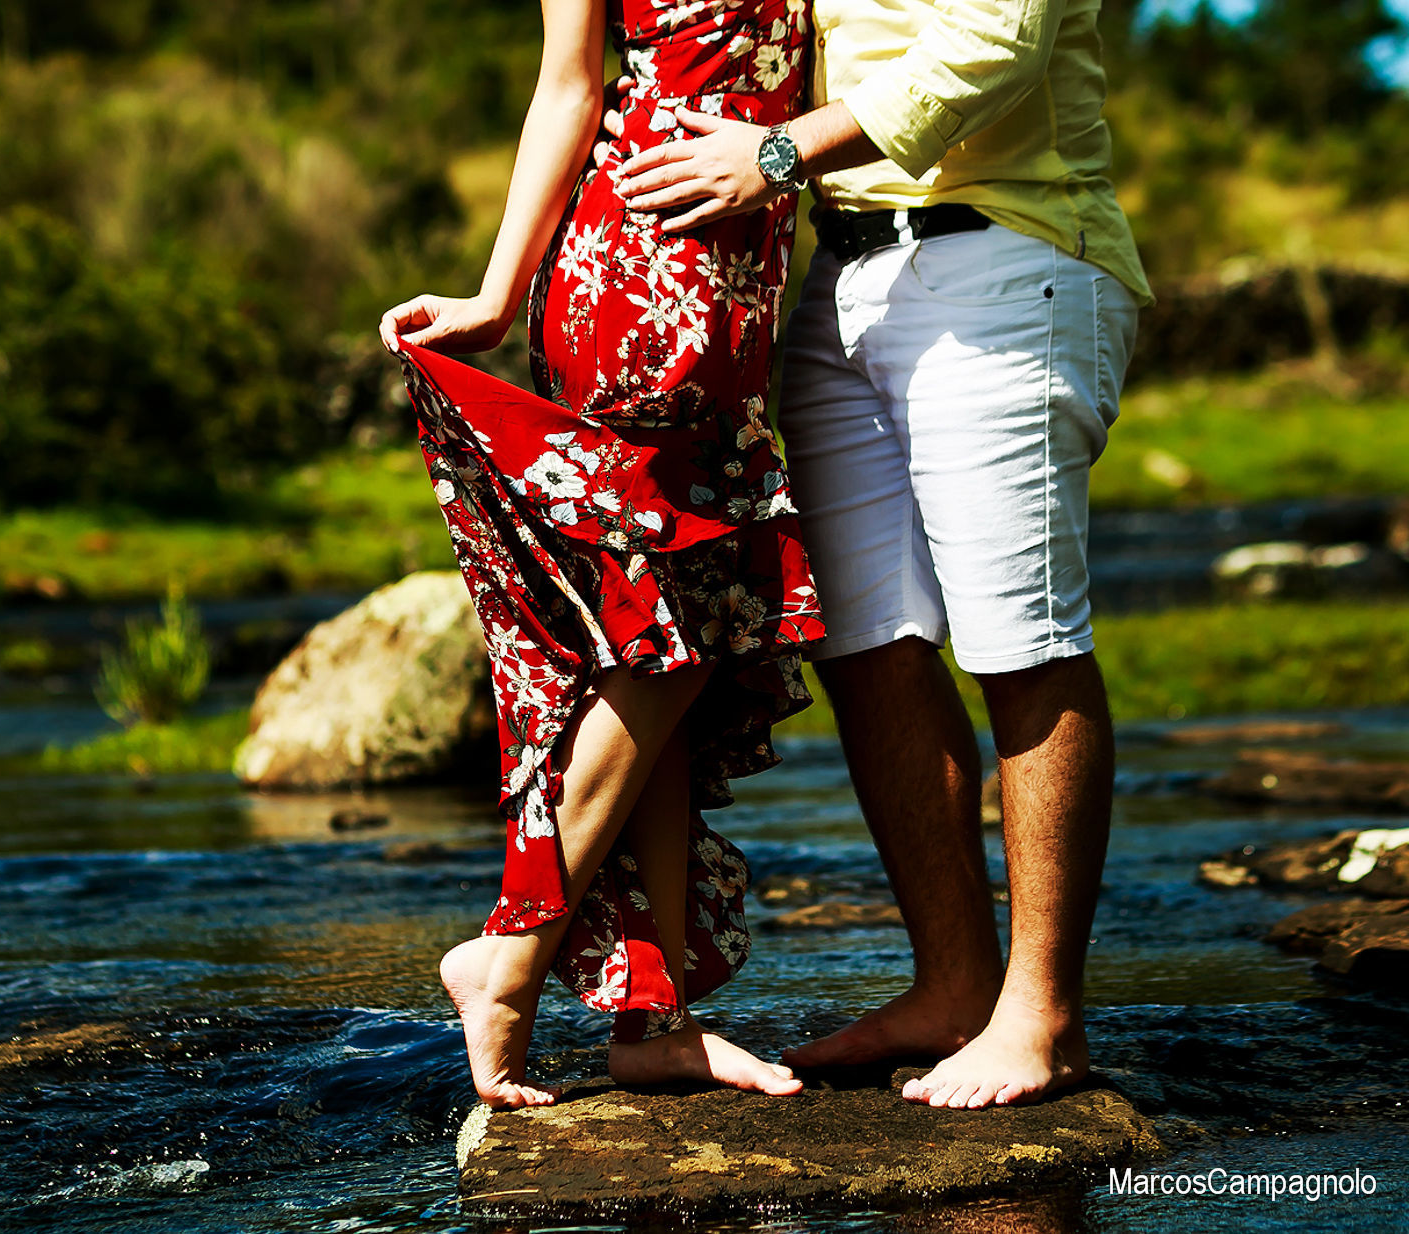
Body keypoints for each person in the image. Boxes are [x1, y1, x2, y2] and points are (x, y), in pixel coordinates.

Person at [596, 0, 1151, 1106]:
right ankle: (953, 988)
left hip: (1008, 258)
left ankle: (1043, 1016)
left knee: (1022, 638)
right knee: (865, 640)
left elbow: (998, 44)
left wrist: (777, 154)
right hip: (844, 272)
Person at [377, 0, 823, 1109]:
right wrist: (497, 293)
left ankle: (654, 1021)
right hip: (646, 273)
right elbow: (569, 82)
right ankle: (511, 952)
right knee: (673, 638)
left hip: (736, 277)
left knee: (668, 646)